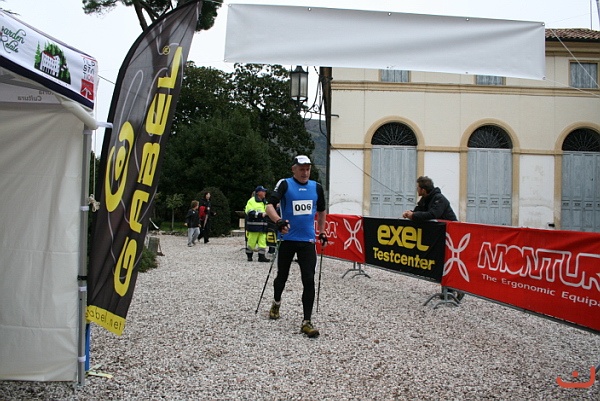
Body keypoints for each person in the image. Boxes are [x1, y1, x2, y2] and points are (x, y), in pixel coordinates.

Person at [265, 155, 328, 338]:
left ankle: (306, 321)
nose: (305, 172)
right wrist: (278, 221)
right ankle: (276, 302)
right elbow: (269, 206)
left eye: (307, 169)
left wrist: (322, 231)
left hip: (307, 241)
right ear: (294, 169)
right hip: (287, 239)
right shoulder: (285, 184)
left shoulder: (316, 187)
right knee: (282, 276)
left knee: (308, 279)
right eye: (301, 169)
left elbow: (321, 210)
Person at [402, 176, 464, 301]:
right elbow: (419, 211)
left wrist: (414, 215)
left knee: (448, 262)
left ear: (423, 189)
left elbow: (433, 214)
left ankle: (456, 289)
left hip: (451, 236)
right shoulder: (425, 199)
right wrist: (410, 213)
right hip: (439, 235)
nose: (416, 190)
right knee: (440, 262)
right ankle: (447, 291)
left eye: (418, 188)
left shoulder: (439, 199)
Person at [245, 186, 270, 262]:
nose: (265, 193)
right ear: (258, 192)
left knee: (262, 243)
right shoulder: (251, 201)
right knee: (251, 242)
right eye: (263, 191)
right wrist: (260, 214)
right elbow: (250, 212)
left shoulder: (265, 201)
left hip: (263, 226)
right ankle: (249, 256)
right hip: (254, 226)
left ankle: (261, 257)